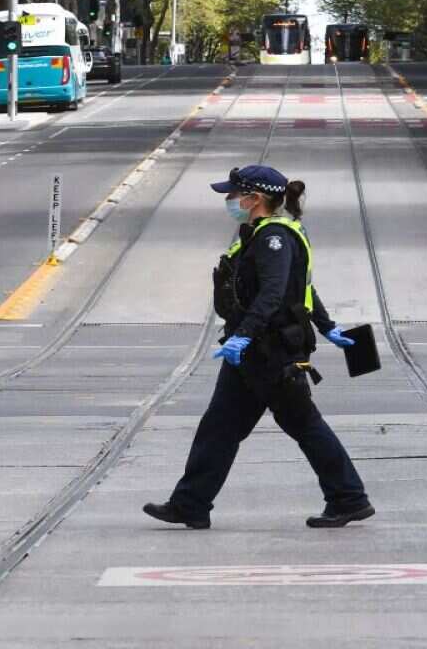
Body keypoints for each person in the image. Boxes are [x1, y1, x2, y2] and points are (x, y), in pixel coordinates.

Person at [144, 165, 374, 530]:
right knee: (219, 425)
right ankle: (190, 503)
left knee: (303, 424)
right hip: (251, 353)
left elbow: (275, 292)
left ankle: (349, 498)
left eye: (234, 194)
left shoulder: (274, 239)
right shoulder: (257, 235)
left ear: (256, 198)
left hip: (272, 352)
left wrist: (245, 335)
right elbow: (303, 288)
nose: (229, 200)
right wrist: (328, 326)